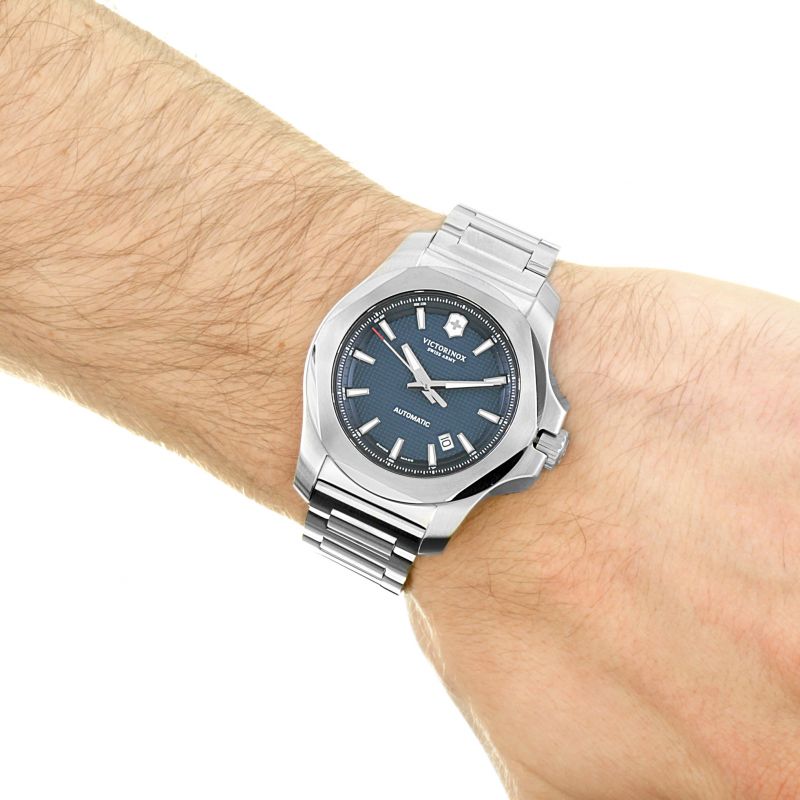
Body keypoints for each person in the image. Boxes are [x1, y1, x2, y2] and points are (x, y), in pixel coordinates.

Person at [1, 2, 798, 797]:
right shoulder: (348, 351)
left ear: (539, 442)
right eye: (423, 378)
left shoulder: (508, 438)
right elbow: (328, 330)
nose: (426, 386)